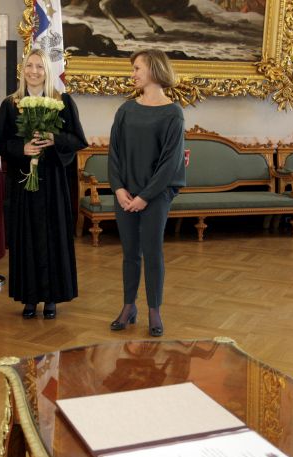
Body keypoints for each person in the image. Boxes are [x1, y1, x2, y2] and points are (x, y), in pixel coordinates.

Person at [0, 48, 87, 319]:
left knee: (54, 237)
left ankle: (53, 298)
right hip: (23, 184)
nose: (34, 71)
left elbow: (78, 139)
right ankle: (30, 298)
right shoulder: (11, 104)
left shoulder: (62, 101)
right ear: (22, 70)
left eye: (40, 67)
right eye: (29, 66)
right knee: (26, 238)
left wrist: (54, 139)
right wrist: (22, 149)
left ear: (47, 71)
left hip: (53, 183)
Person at [107, 49, 185, 337]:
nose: (133, 74)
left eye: (137, 68)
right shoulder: (126, 110)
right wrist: (118, 189)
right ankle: (129, 307)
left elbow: (170, 163)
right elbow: (113, 153)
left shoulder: (173, 113)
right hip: (125, 195)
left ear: (153, 69)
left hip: (156, 196)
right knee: (130, 253)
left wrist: (145, 197)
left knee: (152, 253)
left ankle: (154, 310)